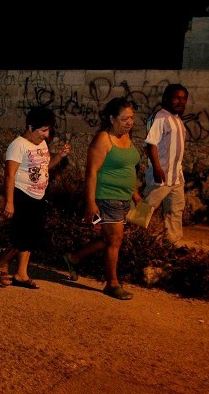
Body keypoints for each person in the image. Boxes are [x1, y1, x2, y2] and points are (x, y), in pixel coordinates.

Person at [62, 97, 142, 300]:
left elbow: (128, 168)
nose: (129, 122)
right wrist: (90, 203)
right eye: (124, 118)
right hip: (107, 196)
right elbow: (91, 173)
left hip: (125, 198)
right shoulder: (103, 139)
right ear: (111, 118)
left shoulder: (127, 137)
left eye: (131, 118)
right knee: (115, 240)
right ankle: (112, 283)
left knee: (109, 239)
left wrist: (135, 194)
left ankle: (73, 257)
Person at [0, 107, 70, 289]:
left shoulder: (41, 144)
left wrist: (59, 156)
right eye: (43, 130)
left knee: (32, 236)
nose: (46, 135)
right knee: (22, 237)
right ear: (30, 126)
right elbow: (10, 175)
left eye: (48, 130)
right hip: (22, 194)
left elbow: (46, 167)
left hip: (38, 195)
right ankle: (2, 264)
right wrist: (9, 202)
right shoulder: (18, 145)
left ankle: (21, 273)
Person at [143, 84, 188, 244]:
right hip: (161, 176)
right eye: (177, 98)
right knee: (147, 209)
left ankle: (173, 243)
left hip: (176, 178)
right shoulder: (161, 117)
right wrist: (156, 167)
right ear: (166, 99)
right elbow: (151, 144)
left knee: (175, 210)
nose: (180, 102)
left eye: (184, 99)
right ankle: (132, 238)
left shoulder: (177, 120)